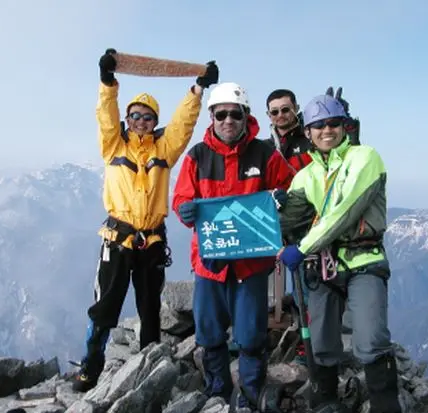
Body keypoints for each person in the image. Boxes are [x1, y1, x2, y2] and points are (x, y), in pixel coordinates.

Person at [72, 48, 219, 392]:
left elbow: (183, 123)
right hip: (118, 240)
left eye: (147, 117)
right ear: (128, 119)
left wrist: (198, 89)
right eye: (135, 116)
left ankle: (150, 363)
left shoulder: (163, 150)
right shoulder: (113, 146)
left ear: (155, 121)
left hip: (152, 241)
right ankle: (90, 368)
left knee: (150, 307)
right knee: (105, 306)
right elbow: (105, 117)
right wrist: (107, 82)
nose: (141, 122)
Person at [172, 82, 294, 411]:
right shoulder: (197, 156)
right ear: (211, 116)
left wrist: (281, 200)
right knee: (210, 333)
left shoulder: (264, 154)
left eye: (235, 114)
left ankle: (251, 394)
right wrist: (186, 210)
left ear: (245, 116)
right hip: (210, 263)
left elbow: (289, 187)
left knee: (251, 334)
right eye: (221, 113)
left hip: (250, 264)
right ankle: (218, 393)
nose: (228, 120)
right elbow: (182, 197)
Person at [277, 94, 402, 413]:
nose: (327, 130)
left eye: (333, 123)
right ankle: (325, 402)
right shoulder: (305, 177)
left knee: (371, 339)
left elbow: (344, 211)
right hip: (324, 267)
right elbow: (290, 223)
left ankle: (386, 407)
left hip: (364, 261)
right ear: (307, 132)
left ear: (345, 126)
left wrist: (302, 247)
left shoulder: (365, 158)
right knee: (320, 342)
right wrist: (276, 206)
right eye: (318, 125)